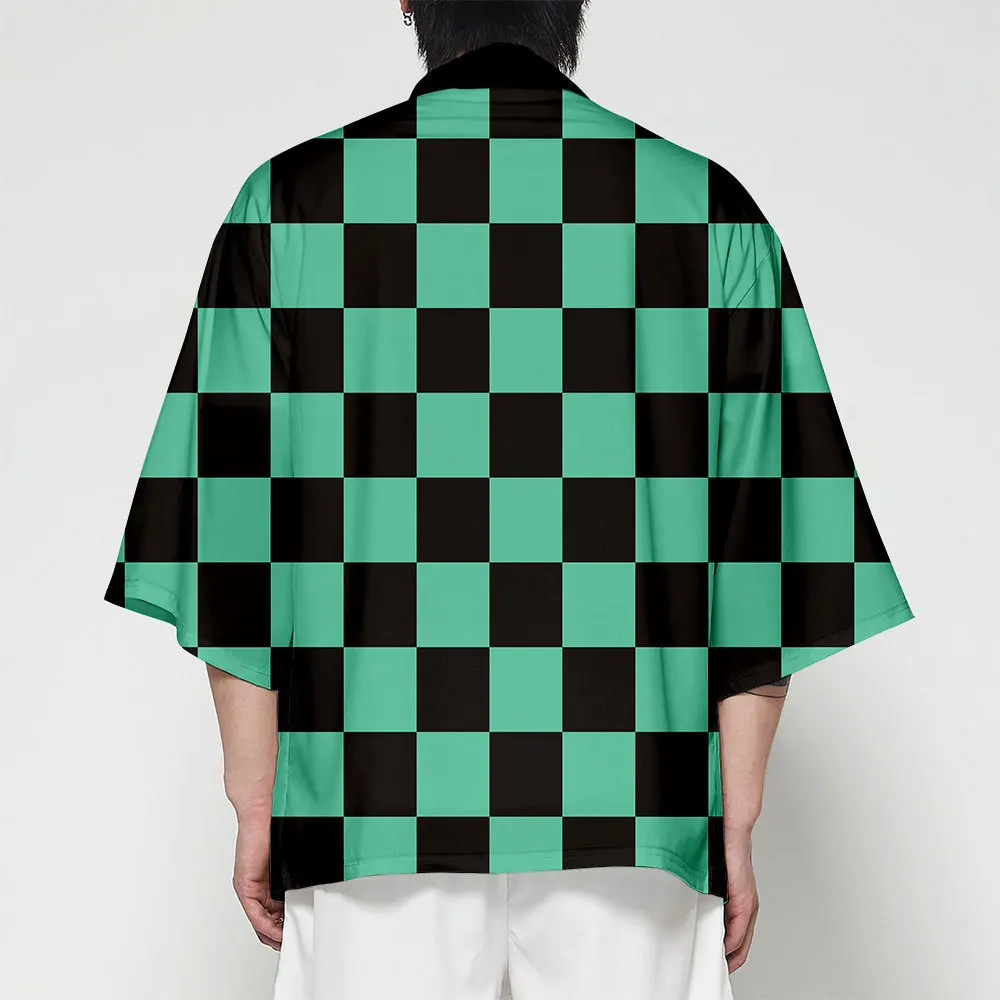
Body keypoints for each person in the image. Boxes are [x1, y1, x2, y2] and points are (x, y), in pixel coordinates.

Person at [103, 2, 914, 997]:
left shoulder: (293, 205)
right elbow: (770, 552)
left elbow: (229, 536)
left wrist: (257, 796)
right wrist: (732, 819)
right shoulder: (705, 211)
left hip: (372, 801)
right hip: (633, 800)